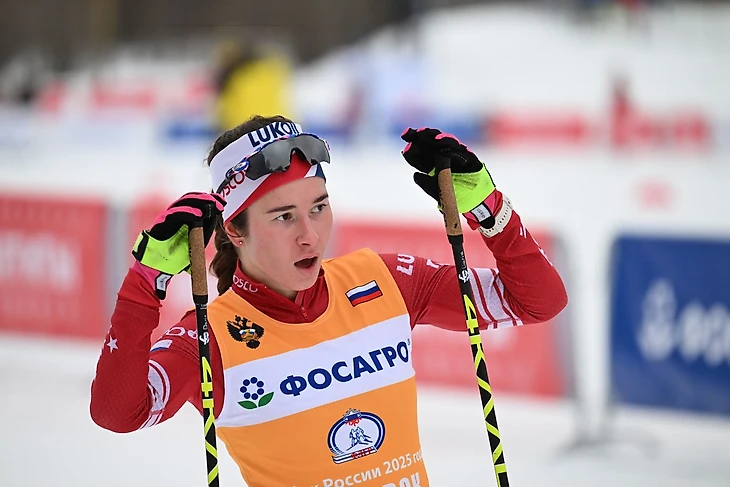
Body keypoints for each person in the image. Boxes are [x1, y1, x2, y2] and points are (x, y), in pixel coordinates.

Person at [90, 114, 567, 486]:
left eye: (319, 207)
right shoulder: (211, 337)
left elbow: (536, 301)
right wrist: (145, 282)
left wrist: (488, 206)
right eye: (283, 217)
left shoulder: (384, 280)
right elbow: (118, 412)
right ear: (233, 230)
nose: (310, 235)